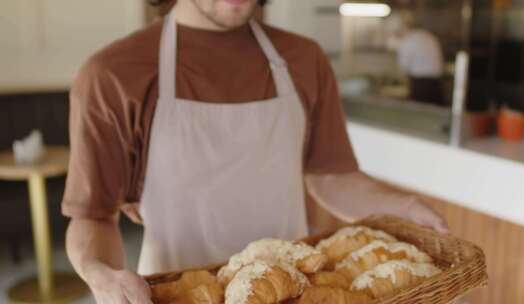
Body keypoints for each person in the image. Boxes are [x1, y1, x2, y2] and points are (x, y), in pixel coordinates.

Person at [63, 0, 448, 302]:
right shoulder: (112, 75)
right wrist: (99, 273)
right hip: (177, 296)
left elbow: (332, 177)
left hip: (293, 293)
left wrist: (407, 207)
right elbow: (93, 215)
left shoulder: (304, 60)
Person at [387, 12, 445, 105]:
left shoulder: (407, 41)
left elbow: (402, 69)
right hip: (437, 84)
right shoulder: (427, 35)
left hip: (421, 85)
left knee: (420, 115)